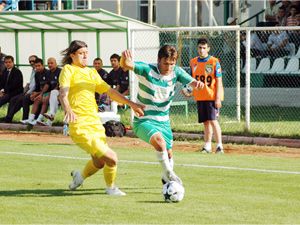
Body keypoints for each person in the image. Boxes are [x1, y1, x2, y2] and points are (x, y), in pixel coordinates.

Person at [58, 40, 144, 196]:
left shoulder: (91, 73)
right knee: (112, 157)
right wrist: (68, 109)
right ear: (72, 55)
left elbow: (110, 92)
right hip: (79, 125)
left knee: (99, 162)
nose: (85, 56)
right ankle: (110, 188)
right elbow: (63, 93)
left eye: (86, 53)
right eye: (81, 53)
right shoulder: (68, 70)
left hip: (95, 123)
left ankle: (80, 176)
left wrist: (132, 104)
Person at [120, 45, 204, 184]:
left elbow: (192, 82)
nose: (169, 67)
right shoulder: (147, 70)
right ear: (158, 60)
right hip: (143, 120)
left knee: (169, 153)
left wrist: (197, 84)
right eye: (165, 63)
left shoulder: (176, 72)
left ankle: (166, 179)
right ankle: (171, 175)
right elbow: (127, 64)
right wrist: (124, 59)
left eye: (172, 63)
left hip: (164, 121)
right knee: (160, 142)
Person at [186, 38, 224, 154]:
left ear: (208, 48)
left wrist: (218, 98)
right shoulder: (193, 62)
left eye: (204, 48)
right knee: (206, 122)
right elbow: (192, 80)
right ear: (197, 48)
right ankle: (207, 145)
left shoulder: (214, 62)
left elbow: (219, 81)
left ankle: (219, 146)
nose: (201, 50)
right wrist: (189, 91)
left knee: (213, 120)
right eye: (200, 48)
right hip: (200, 96)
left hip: (211, 96)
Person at [3, 55, 37, 123]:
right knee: (14, 100)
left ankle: (24, 119)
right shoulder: (33, 70)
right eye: (30, 61)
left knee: (22, 99)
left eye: (33, 61)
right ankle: (8, 118)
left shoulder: (17, 71)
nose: (32, 62)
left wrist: (27, 92)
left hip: (33, 93)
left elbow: (35, 85)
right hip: (27, 92)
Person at [21, 58, 50, 125]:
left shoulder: (48, 73)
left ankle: (38, 119)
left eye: (39, 66)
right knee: (26, 98)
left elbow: (48, 87)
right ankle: (27, 119)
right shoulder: (36, 74)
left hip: (48, 93)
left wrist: (38, 94)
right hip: (40, 93)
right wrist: (33, 94)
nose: (37, 67)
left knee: (38, 99)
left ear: (43, 65)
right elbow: (37, 87)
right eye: (36, 66)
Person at [41, 57, 62, 126]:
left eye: (51, 63)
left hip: (63, 92)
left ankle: (47, 118)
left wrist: (50, 94)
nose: (50, 65)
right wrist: (41, 94)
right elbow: (47, 84)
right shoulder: (48, 72)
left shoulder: (60, 71)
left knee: (53, 93)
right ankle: (49, 120)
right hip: (54, 93)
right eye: (48, 63)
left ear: (56, 64)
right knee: (52, 96)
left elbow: (59, 85)